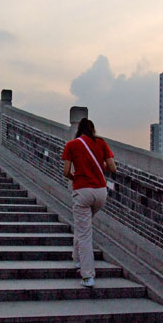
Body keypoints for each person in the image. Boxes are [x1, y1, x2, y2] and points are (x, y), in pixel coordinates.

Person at [62, 118, 116, 287]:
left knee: (84, 232)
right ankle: (77, 258)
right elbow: (112, 167)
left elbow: (66, 171)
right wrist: (98, 168)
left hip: (83, 191)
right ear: (92, 129)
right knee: (83, 225)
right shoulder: (101, 143)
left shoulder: (72, 145)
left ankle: (87, 276)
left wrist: (76, 177)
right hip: (101, 192)